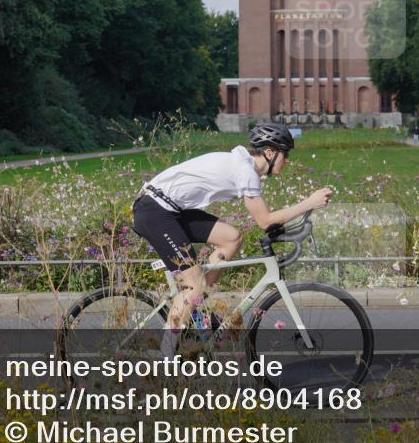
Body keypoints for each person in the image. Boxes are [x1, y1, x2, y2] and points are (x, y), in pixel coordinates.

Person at [131, 123, 333, 353]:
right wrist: (310, 202)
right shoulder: (245, 171)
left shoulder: (244, 165)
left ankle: (197, 299)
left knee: (232, 238)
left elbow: (266, 222)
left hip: (168, 208)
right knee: (193, 285)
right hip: (155, 211)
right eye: (285, 154)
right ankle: (164, 357)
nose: (287, 160)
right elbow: (265, 220)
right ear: (269, 152)